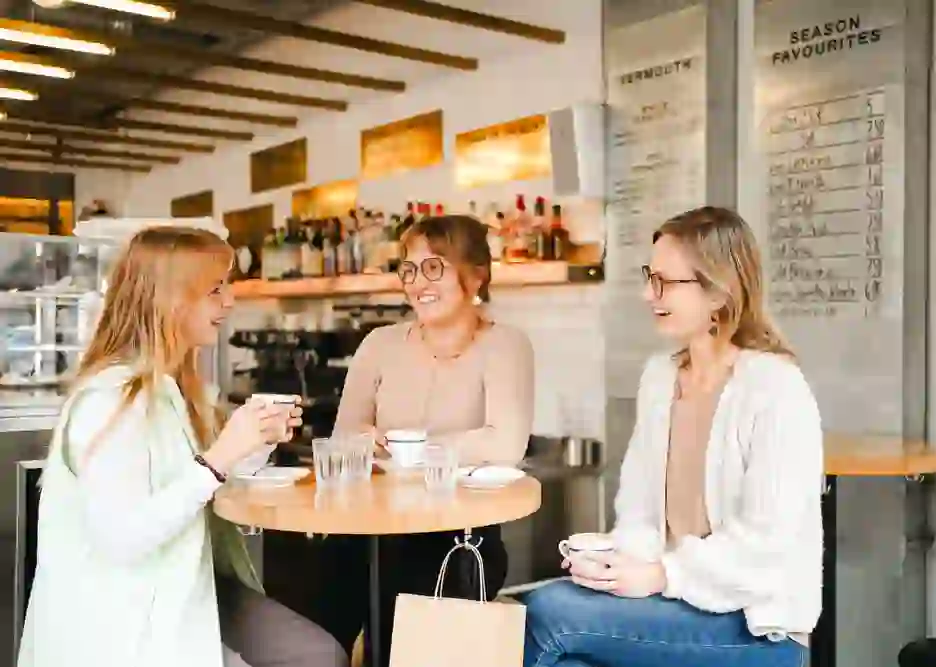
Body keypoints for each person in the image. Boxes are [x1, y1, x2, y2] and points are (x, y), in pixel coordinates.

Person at [18, 227, 347, 667]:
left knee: (318, 654)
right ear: (171, 302)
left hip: (183, 579)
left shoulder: (170, 387)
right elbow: (123, 538)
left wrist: (254, 442)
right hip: (121, 618)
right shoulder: (110, 401)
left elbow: (188, 475)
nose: (229, 302)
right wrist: (220, 458)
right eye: (215, 290)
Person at [522, 206, 823, 667]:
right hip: (676, 603)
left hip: (757, 625)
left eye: (665, 281)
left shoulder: (774, 387)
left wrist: (661, 575)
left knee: (546, 613)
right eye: (649, 276)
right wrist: (614, 566)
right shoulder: (660, 379)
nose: (648, 293)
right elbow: (639, 512)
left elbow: (764, 545)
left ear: (719, 291)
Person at [271, 214, 535, 665]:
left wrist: (400, 446)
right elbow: (345, 437)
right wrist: (378, 443)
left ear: (476, 275)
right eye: (409, 270)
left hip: (455, 538)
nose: (417, 283)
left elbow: (504, 444)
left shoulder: (505, 345)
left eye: (434, 267)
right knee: (308, 635)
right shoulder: (380, 344)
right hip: (364, 532)